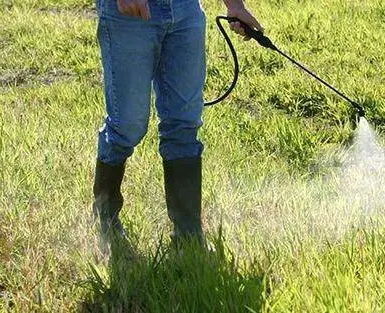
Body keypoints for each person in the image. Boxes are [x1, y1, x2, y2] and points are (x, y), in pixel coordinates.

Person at [92, 0, 263, 248]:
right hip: (128, 14)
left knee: (184, 123)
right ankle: (105, 218)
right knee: (128, 125)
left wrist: (235, 5)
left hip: (185, 10)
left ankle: (188, 235)